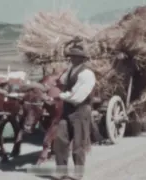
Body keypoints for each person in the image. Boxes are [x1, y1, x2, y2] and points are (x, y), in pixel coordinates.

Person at [44, 45, 96, 180]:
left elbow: (77, 96)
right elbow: (62, 82)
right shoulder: (70, 71)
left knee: (79, 144)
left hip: (80, 109)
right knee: (60, 140)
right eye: (71, 56)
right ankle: (61, 171)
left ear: (81, 58)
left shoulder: (87, 74)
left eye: (74, 56)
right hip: (67, 109)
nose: (71, 58)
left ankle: (78, 174)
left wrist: (59, 96)